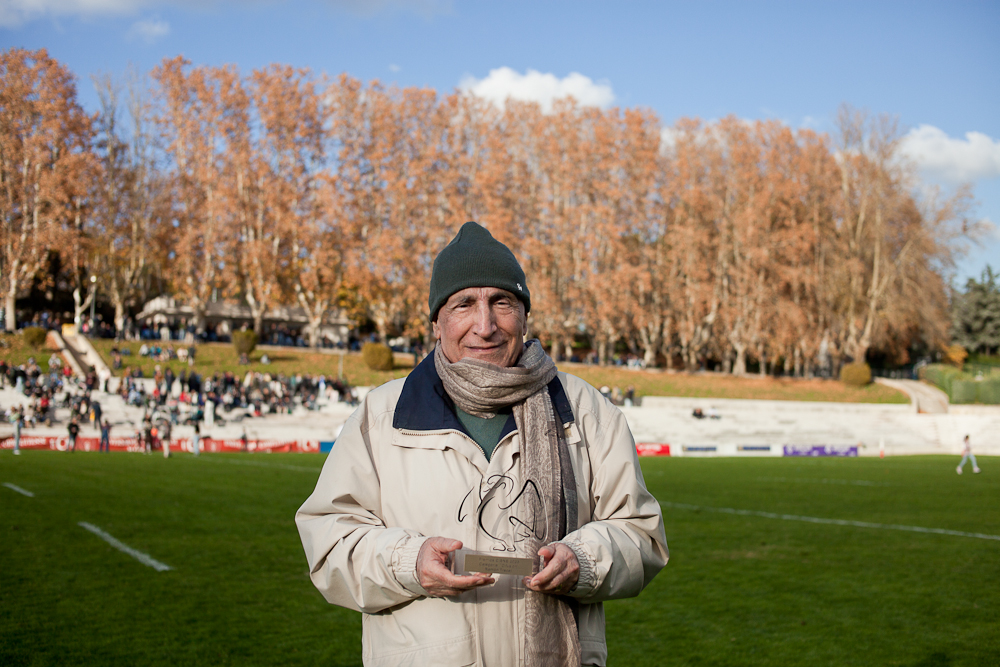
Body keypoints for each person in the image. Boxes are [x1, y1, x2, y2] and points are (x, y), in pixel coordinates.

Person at [296, 221, 668, 666]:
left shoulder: (586, 410)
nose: (485, 325)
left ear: (524, 316)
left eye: (502, 302)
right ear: (437, 322)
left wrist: (584, 560)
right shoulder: (381, 416)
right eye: (464, 304)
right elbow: (329, 543)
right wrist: (409, 562)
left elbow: (640, 533)